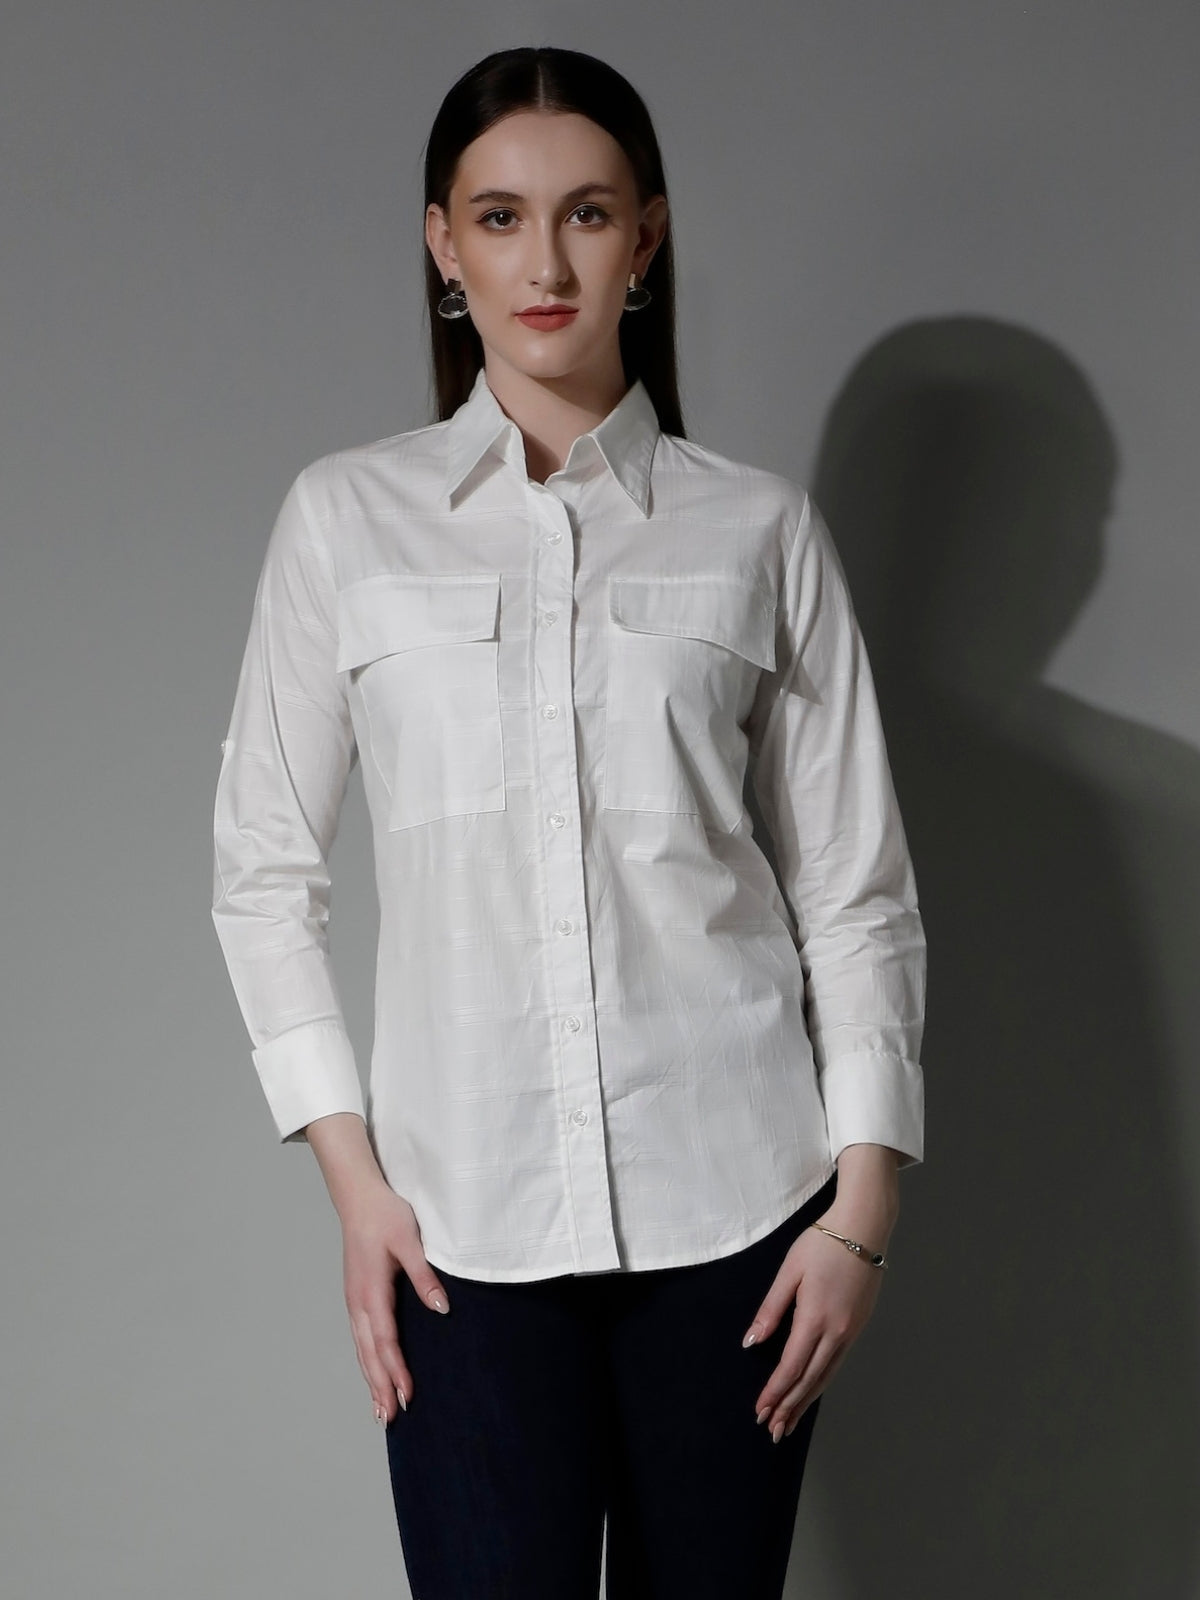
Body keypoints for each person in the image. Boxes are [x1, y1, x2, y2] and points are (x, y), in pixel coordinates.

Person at [211, 44, 925, 1600]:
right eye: (501, 217)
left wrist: (860, 1210)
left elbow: (856, 891)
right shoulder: (345, 521)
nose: (545, 263)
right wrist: (354, 1187)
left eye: (588, 214)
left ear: (646, 238)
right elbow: (262, 878)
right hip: (456, 1235)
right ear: (442, 245)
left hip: (742, 1222)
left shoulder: (759, 529)